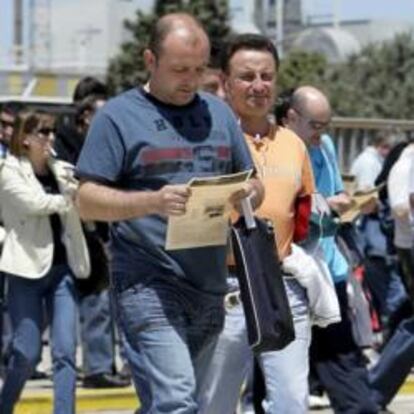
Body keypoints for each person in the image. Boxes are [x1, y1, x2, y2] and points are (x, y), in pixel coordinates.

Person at [75, 13, 264, 413]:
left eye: (198, 70)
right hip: (148, 283)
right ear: (149, 60)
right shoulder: (117, 117)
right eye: (179, 69)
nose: (190, 80)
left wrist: (246, 192)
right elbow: (86, 199)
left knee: (173, 403)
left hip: (210, 286)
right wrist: (152, 201)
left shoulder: (219, 114)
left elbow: (255, 186)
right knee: (177, 401)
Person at [197, 33, 315, 414]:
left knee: (292, 403)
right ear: (226, 83)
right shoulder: (206, 141)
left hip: (280, 286)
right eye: (247, 77)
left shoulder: (294, 145)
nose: (259, 85)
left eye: (267, 76)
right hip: (223, 289)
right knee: (215, 403)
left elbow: (301, 218)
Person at [284, 86, 379, 413]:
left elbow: (336, 194)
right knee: (281, 382)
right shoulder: (275, 149)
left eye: (326, 125)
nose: (321, 133)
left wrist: (354, 204)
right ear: (291, 117)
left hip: (330, 272)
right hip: (289, 276)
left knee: (348, 371)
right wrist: (325, 205)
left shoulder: (323, 145)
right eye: (315, 125)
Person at [0, 111, 90, 414]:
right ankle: (5, 404)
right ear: (25, 139)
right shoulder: (8, 171)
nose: (50, 137)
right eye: (42, 132)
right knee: (27, 352)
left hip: (62, 271)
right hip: (25, 270)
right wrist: (71, 199)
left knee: (65, 351)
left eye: (52, 131)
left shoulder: (63, 170)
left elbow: (85, 195)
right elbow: (34, 204)